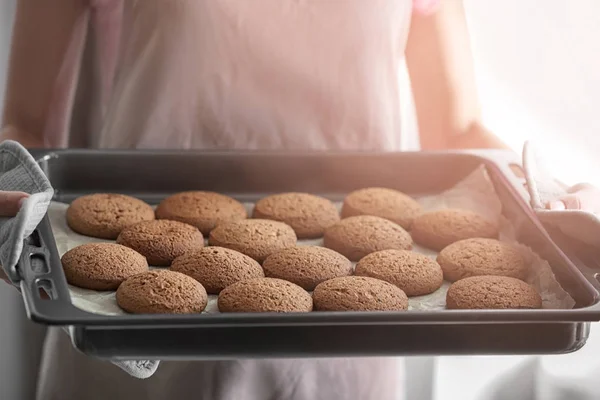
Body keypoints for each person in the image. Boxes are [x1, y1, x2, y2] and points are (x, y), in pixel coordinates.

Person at [1, 0, 596, 399]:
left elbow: (460, 132)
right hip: (131, 328)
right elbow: (24, 123)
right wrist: (12, 193)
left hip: (356, 332)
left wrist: (549, 193)